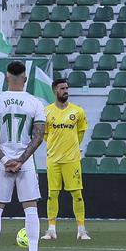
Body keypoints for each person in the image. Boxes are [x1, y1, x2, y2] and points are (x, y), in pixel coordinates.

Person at [0, 61, 48, 251]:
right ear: (25, 79)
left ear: (5, 77)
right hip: (25, 162)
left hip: (2, 160)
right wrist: (21, 160)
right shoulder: (35, 103)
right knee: (30, 208)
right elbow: (38, 136)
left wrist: (4, 159)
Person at [43, 76, 90, 242]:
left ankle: (81, 230)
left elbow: (81, 131)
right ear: (55, 90)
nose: (66, 91)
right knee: (52, 194)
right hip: (53, 159)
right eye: (62, 88)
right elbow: (45, 134)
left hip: (72, 159)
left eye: (67, 88)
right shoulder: (46, 111)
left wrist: (72, 147)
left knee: (77, 194)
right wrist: (55, 147)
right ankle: (51, 230)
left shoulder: (77, 111)